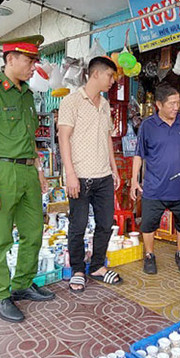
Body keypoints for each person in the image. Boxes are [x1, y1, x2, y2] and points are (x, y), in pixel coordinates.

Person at [0, 34, 53, 323]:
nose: (34, 66)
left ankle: (21, 284)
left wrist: (40, 170)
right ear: (11, 59)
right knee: (1, 238)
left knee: (33, 233)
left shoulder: (28, 95)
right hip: (3, 172)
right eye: (30, 60)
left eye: (34, 60)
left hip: (27, 171)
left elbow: (30, 138)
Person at [58, 56, 123, 293]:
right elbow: (63, 138)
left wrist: (114, 170)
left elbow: (107, 137)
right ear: (95, 74)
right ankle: (77, 269)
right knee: (78, 224)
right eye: (110, 76)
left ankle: (97, 266)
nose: (112, 81)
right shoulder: (71, 102)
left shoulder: (105, 104)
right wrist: (70, 175)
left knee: (106, 223)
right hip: (80, 175)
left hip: (103, 175)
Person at [130, 84, 180, 275]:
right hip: (155, 187)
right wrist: (134, 180)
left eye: (178, 103)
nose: (176, 107)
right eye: (172, 103)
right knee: (149, 224)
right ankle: (150, 255)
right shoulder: (147, 126)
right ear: (159, 104)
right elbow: (139, 155)